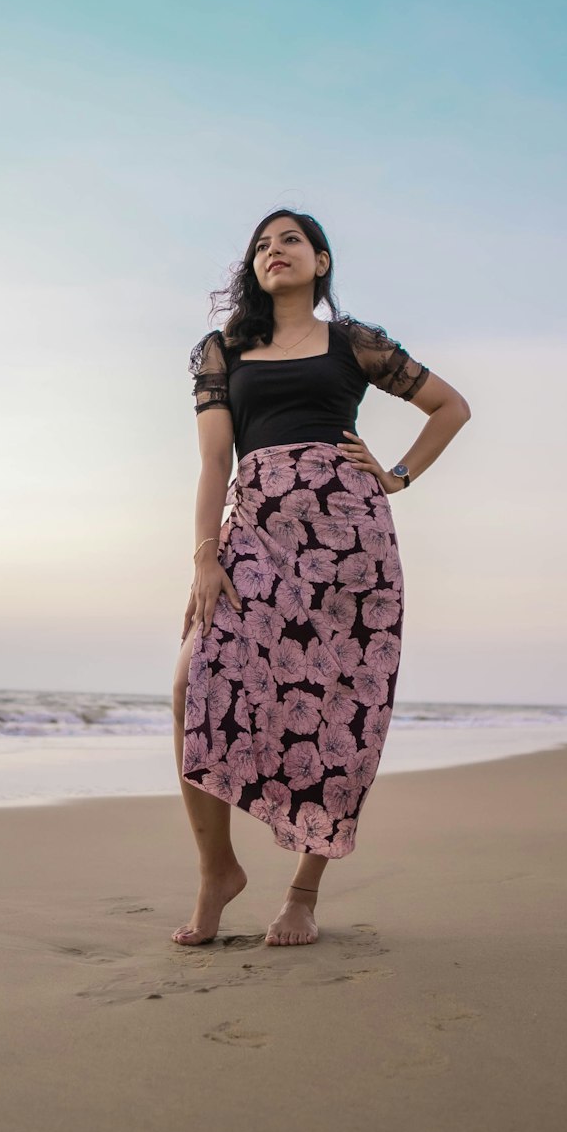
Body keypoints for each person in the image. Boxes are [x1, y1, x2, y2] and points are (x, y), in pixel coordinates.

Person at [172, 209, 472, 948]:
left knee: (340, 710)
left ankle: (303, 895)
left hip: (353, 550)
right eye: (263, 245)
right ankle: (218, 871)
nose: (275, 251)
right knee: (191, 681)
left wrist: (397, 475)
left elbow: (450, 407)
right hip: (259, 536)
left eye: (291, 241)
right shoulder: (222, 352)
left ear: (322, 261)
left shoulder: (355, 344)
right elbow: (215, 462)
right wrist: (205, 554)